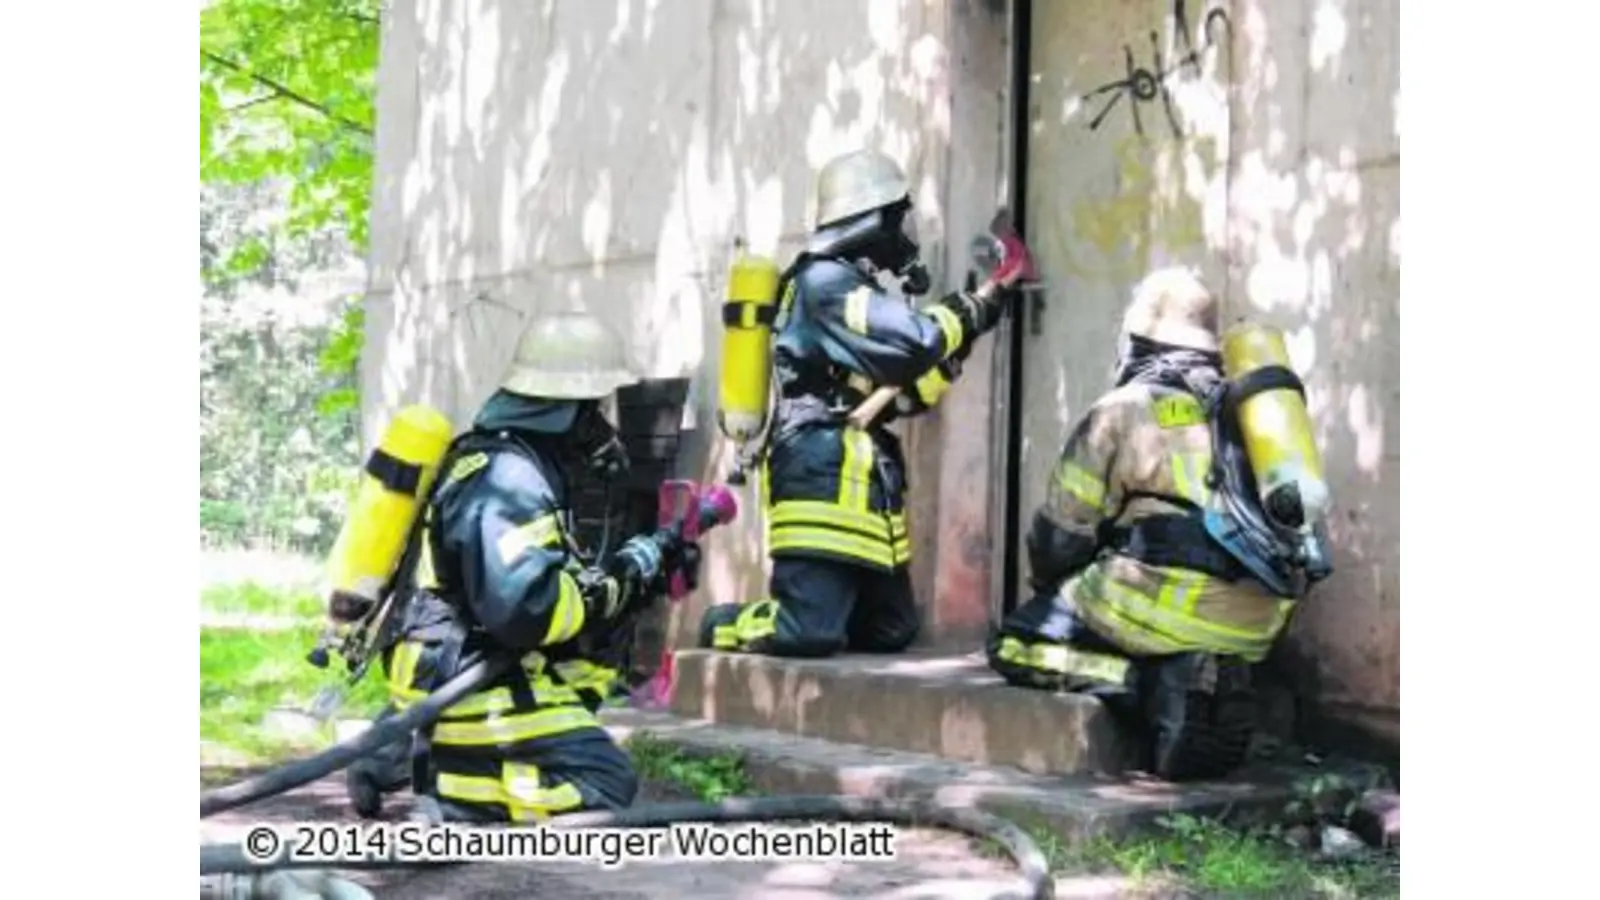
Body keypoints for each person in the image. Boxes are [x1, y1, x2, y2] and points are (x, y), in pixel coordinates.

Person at [344, 310, 696, 823]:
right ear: (564, 409)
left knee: (584, 676)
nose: (601, 424)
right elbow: (528, 612)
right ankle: (461, 797)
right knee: (606, 782)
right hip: (463, 674)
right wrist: (622, 580)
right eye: (593, 407)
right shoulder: (508, 481)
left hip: (445, 662)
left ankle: (389, 755)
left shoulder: (505, 460)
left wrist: (630, 571)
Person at [698, 148, 1028, 658]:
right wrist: (972, 306)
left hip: (863, 480)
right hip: (817, 472)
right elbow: (914, 341)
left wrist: (974, 321)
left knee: (890, 632)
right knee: (807, 633)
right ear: (874, 220)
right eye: (899, 217)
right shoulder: (823, 283)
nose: (905, 231)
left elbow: (903, 388)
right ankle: (724, 625)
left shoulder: (847, 289)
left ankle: (827, 607)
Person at [986, 268, 1303, 780]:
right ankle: (1219, 678)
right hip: (1260, 619)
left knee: (1015, 643)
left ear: (1137, 340)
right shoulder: (1251, 414)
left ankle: (1156, 683)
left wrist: (1055, 588)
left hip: (1160, 604)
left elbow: (1062, 536)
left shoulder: (1124, 409)